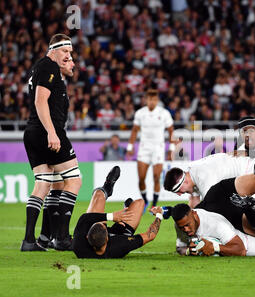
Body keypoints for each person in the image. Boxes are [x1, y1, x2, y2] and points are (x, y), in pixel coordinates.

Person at [21, 34, 82, 251]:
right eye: (65, 52)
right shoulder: (49, 66)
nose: (69, 57)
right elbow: (40, 101)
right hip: (46, 132)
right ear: (53, 50)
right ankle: (62, 238)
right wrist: (52, 133)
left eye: (71, 54)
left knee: (46, 183)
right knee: (74, 181)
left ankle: (34, 240)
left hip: (33, 132)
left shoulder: (46, 70)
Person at [72, 166, 165, 259]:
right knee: (139, 203)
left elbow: (85, 218)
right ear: (107, 238)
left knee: (99, 194)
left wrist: (112, 217)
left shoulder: (79, 245)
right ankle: (126, 209)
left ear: (87, 236)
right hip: (121, 234)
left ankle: (107, 187)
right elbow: (150, 235)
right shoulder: (120, 245)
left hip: (100, 236)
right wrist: (159, 214)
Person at [127, 89, 175, 212]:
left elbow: (171, 131)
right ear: (146, 100)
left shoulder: (164, 113)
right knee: (141, 178)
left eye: (154, 99)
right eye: (149, 99)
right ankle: (145, 200)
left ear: (157, 100)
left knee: (156, 177)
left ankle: (154, 204)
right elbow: (135, 130)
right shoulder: (140, 113)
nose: (152, 102)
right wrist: (130, 147)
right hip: (144, 148)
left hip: (158, 148)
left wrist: (171, 149)